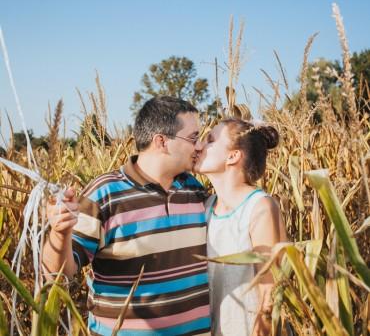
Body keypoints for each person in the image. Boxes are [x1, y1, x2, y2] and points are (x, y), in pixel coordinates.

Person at [42, 96, 211, 335]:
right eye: (193, 138)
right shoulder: (104, 194)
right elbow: (57, 272)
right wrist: (59, 234)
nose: (199, 146)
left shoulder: (194, 188)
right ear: (162, 141)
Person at [194, 118, 287, 336]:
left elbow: (270, 293)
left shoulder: (259, 207)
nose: (199, 146)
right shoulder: (207, 208)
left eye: (210, 140)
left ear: (233, 156)